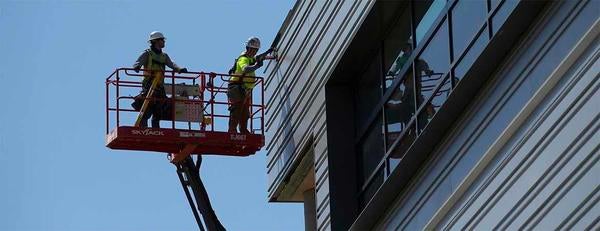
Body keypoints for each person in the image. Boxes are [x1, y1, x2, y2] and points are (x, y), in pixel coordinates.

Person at [132, 31, 187, 128]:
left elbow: (171, 64)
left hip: (159, 87)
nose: (164, 42)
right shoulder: (147, 54)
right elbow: (138, 62)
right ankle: (143, 129)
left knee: (158, 111)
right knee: (147, 109)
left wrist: (179, 69)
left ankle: (155, 129)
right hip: (149, 86)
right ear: (156, 41)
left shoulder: (164, 56)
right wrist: (137, 66)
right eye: (162, 40)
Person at [227, 37, 269, 134]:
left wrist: (268, 51)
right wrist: (257, 66)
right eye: (252, 49)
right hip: (236, 87)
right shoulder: (243, 59)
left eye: (256, 50)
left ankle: (243, 130)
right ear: (247, 48)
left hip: (245, 89)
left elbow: (258, 58)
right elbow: (246, 69)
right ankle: (232, 130)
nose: (254, 52)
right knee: (237, 109)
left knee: (245, 112)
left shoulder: (250, 59)